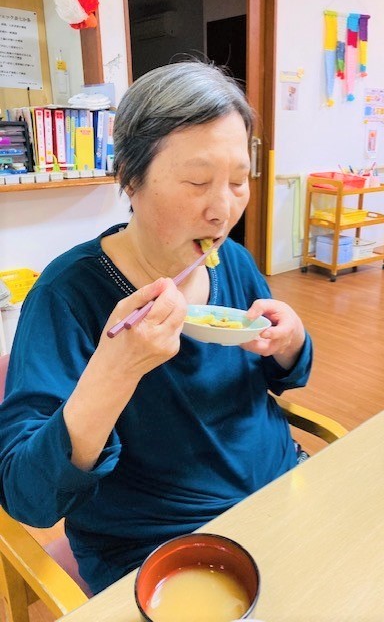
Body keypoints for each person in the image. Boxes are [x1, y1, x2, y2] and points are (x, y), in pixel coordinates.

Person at [0, 60, 312, 595]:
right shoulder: (66, 294)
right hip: (160, 543)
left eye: (239, 181)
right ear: (129, 176)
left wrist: (291, 343)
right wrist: (116, 370)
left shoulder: (234, 262)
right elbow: (28, 495)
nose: (223, 210)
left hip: (281, 489)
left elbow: (283, 377)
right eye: (198, 182)